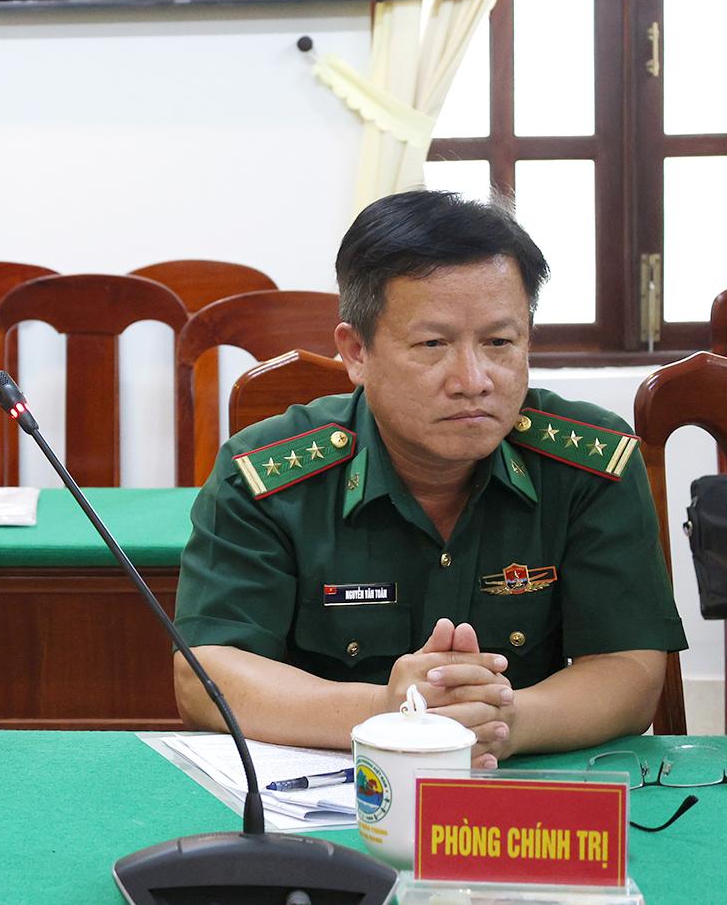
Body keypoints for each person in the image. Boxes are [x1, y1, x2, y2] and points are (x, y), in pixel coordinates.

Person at [173, 190, 686, 767]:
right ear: (356, 352)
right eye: (433, 344)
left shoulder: (588, 463)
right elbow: (206, 674)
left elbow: (630, 668)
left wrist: (505, 722)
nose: (473, 379)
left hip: (518, 783)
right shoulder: (266, 475)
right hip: (329, 795)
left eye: (499, 342)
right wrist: (390, 713)